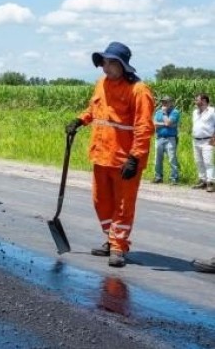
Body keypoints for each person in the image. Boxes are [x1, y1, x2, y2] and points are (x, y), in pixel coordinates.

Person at [66, 41, 154, 268]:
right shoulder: (101, 84)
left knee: (123, 205)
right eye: (103, 63)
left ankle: (118, 246)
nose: (105, 68)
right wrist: (80, 120)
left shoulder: (138, 90)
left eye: (110, 63)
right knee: (100, 202)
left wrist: (135, 158)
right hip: (101, 155)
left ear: (122, 65)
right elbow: (94, 110)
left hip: (124, 159)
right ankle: (110, 238)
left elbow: (144, 128)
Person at [152, 95, 180, 185]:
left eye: (166, 102)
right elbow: (154, 124)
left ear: (171, 103)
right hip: (159, 138)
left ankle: (174, 178)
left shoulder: (175, 112)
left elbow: (168, 123)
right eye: (163, 102)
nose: (164, 103)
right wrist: (165, 124)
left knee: (172, 159)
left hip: (170, 138)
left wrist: (164, 114)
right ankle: (158, 177)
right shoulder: (158, 112)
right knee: (157, 159)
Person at [191, 93, 215, 191]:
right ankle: (202, 181)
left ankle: (211, 182)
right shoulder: (195, 112)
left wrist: (214, 138)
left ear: (204, 101)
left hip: (207, 140)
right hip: (196, 140)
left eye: (197, 100)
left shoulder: (212, 111)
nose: (195, 102)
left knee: (208, 162)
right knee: (198, 161)